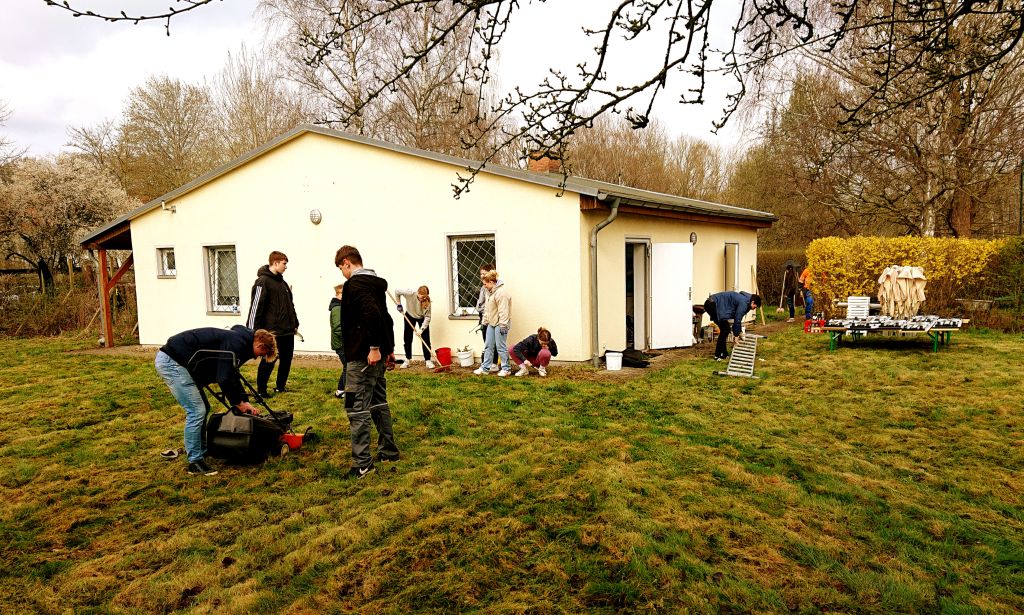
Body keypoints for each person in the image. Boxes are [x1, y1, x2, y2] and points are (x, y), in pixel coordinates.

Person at [155, 325, 277, 476]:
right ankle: (195, 462)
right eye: (261, 354)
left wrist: (244, 401)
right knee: (196, 411)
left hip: (181, 361)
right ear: (260, 345)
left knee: (203, 408)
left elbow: (232, 374)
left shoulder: (239, 340)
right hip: (173, 362)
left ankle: (201, 450)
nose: (256, 357)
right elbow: (224, 377)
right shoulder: (236, 343)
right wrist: (237, 403)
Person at [335, 245, 400, 479]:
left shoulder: (355, 284)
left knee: (355, 407)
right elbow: (386, 319)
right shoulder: (374, 284)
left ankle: (362, 464)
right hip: (377, 355)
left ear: (346, 263)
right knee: (378, 402)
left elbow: (372, 315)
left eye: (341, 269)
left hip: (363, 358)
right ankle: (388, 451)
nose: (343, 274)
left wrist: (374, 348)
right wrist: (388, 349)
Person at [247, 251, 299, 398]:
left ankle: (280, 387)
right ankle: (261, 390)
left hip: (287, 330)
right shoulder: (262, 282)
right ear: (275, 263)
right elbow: (255, 307)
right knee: (269, 360)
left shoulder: (283, 283)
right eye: (284, 263)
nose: (286, 267)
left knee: (286, 360)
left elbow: (290, 305)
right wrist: (251, 331)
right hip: (272, 332)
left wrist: (295, 323)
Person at [473, 270, 512, 376]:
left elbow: (504, 311)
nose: (484, 286)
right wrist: (484, 322)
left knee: (500, 346)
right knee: (488, 345)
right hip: (491, 323)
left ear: (491, 282)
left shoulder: (501, 293)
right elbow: (487, 309)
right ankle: (485, 368)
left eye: (485, 284)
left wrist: (503, 325)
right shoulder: (489, 292)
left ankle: (506, 369)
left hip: (501, 323)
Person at [703, 291, 762, 361]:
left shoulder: (746, 301)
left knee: (726, 329)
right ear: (753, 302)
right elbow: (737, 318)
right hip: (712, 304)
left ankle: (724, 354)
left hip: (714, 304)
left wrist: (739, 331)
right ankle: (717, 355)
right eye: (755, 306)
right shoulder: (744, 303)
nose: (754, 308)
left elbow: (739, 318)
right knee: (725, 329)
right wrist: (736, 335)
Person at [395, 285, 434, 369]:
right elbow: (397, 291)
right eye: (420, 297)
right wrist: (399, 304)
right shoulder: (410, 293)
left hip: (422, 318)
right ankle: (407, 359)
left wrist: (422, 329)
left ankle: (428, 360)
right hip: (409, 315)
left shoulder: (428, 302)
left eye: (424, 297)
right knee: (407, 338)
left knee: (425, 338)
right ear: (418, 293)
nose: (421, 299)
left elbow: (428, 317)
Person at [476, 263, 496, 368]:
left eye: (484, 274)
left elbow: (489, 304)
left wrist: (482, 309)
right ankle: (488, 362)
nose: (482, 276)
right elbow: (480, 302)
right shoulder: (483, 287)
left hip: (488, 316)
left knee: (492, 341)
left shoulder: (491, 288)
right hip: (482, 315)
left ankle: (493, 363)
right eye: (481, 274)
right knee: (486, 340)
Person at [329, 283, 347, 399]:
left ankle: (341, 390)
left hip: (342, 343)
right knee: (348, 367)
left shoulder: (341, 307)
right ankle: (342, 390)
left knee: (347, 366)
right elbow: (337, 327)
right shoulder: (337, 308)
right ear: (339, 294)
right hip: (341, 344)